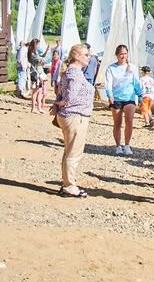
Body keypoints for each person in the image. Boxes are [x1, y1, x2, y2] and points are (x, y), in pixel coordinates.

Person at [50, 43, 94, 198]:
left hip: (69, 116)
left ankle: (67, 182)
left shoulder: (70, 72)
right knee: (74, 152)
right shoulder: (75, 73)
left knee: (69, 151)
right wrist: (59, 104)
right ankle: (69, 185)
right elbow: (70, 97)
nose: (89, 58)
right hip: (75, 116)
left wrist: (58, 104)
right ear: (77, 57)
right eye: (86, 55)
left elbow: (61, 93)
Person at [104, 44, 141, 156]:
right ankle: (118, 145)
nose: (123, 56)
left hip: (129, 97)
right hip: (116, 98)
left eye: (125, 54)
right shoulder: (111, 68)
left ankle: (127, 145)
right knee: (117, 122)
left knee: (129, 121)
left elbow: (136, 82)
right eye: (121, 54)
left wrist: (140, 95)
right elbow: (108, 82)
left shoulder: (132, 67)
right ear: (117, 55)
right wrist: (109, 94)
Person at [27, 38, 56, 114]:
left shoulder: (35, 53)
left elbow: (42, 57)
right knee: (35, 92)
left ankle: (39, 107)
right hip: (35, 74)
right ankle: (33, 108)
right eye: (38, 44)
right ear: (35, 45)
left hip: (39, 73)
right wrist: (49, 53)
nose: (39, 46)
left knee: (40, 91)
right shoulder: (32, 54)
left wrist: (46, 51)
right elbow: (43, 60)